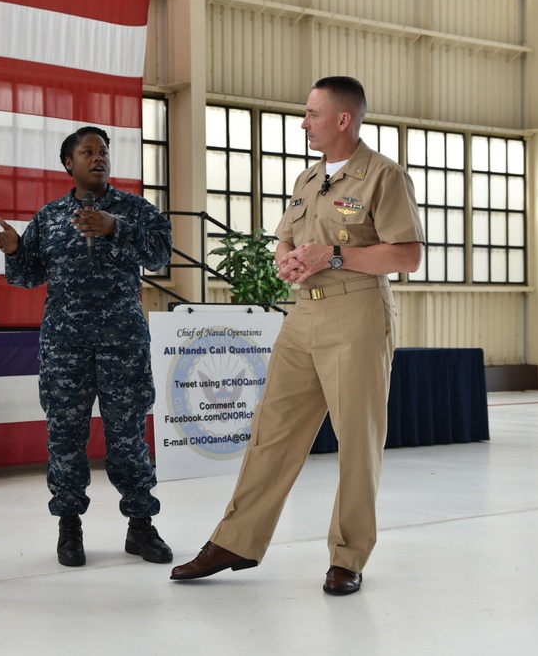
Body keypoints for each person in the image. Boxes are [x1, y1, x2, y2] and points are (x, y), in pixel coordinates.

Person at [170, 77, 425, 595]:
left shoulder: (383, 176)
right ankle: (236, 541)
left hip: (356, 315)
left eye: (311, 113)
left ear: (342, 120)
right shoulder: (308, 179)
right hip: (302, 317)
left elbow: (407, 254)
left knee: (357, 441)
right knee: (272, 430)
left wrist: (332, 256)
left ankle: (348, 556)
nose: (303, 122)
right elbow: (289, 235)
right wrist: (287, 256)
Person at [0, 126, 174, 567]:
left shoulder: (135, 211)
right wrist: (16, 250)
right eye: (87, 152)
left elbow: (160, 255)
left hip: (122, 343)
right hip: (65, 346)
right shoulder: (50, 217)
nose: (98, 158)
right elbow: (26, 276)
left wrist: (117, 228)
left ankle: (140, 526)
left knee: (128, 435)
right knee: (65, 438)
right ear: (68, 163)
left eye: (104, 151)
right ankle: (69, 527)